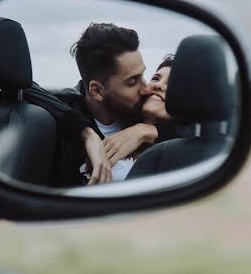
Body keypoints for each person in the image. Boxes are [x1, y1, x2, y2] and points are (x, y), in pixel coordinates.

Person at [24, 23, 174, 186]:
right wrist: (86, 133)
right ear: (97, 91)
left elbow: (195, 127)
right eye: (132, 81)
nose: (146, 88)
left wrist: (149, 131)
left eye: (143, 75)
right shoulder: (64, 113)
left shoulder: (146, 113)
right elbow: (21, 85)